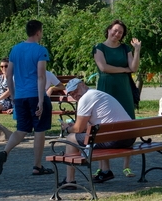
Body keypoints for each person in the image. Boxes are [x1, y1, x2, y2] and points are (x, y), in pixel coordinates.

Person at [0, 20, 54, 177]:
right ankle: (37, 166)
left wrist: (13, 96)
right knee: (39, 130)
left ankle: (5, 152)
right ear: (38, 32)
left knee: (21, 129)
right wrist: (41, 100)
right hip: (35, 95)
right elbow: (41, 77)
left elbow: (9, 75)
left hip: (20, 96)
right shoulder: (40, 51)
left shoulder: (15, 50)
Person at [59, 78, 136, 185]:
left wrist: (67, 129)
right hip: (129, 138)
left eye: (76, 91)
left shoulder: (85, 98)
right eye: (72, 94)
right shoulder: (98, 94)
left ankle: (69, 180)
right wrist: (76, 125)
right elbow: (88, 125)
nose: (75, 95)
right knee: (98, 135)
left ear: (83, 85)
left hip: (115, 139)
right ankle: (105, 171)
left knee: (71, 138)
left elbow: (78, 129)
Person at [93, 19, 142, 178]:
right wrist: (123, 70)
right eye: (114, 30)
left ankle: (126, 166)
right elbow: (103, 67)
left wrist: (137, 50)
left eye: (120, 32)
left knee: (127, 122)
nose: (117, 34)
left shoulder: (125, 48)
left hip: (123, 89)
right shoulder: (99, 48)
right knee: (103, 124)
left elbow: (133, 68)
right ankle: (104, 166)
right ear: (108, 30)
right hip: (107, 88)